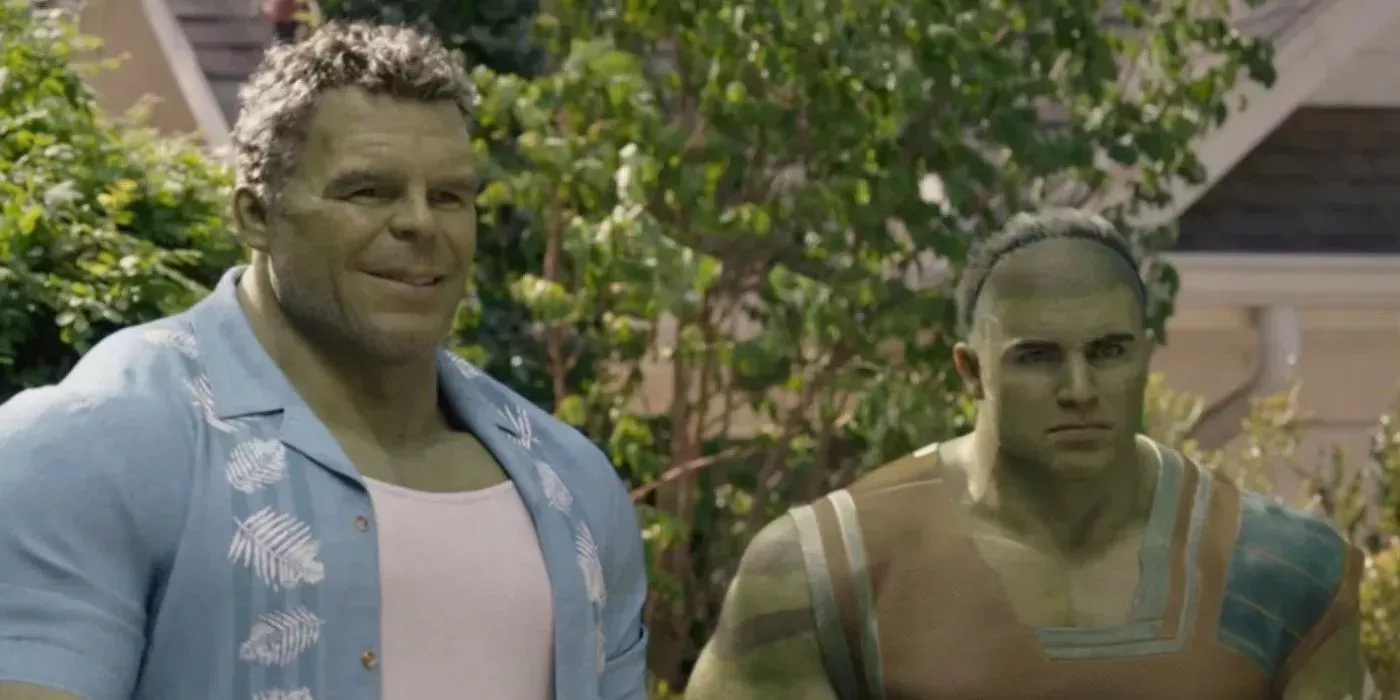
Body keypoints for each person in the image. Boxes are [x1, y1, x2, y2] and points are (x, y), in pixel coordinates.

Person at [0, 21, 647, 700]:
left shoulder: (572, 483)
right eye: (369, 191)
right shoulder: (98, 442)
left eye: (450, 197)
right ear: (256, 215)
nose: (421, 223)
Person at [686, 210, 1364, 700]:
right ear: (971, 370)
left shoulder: (1280, 574)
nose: (1079, 389)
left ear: (1145, 353)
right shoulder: (823, 574)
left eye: (1109, 352)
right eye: (1038, 357)